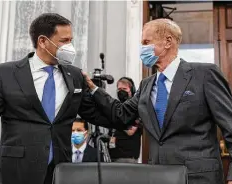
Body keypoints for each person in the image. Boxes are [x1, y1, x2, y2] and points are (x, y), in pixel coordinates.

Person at [83, 18, 232, 184]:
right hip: (158, 176)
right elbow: (121, 114)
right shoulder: (146, 85)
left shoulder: (204, 74)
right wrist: (92, 89)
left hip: (199, 177)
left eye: (146, 42)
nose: (142, 48)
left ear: (168, 41)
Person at [0, 13, 118, 184]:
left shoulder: (74, 75)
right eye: (64, 40)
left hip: (58, 171)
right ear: (42, 41)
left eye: (71, 40)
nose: (70, 46)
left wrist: (130, 116)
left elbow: (96, 114)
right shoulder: (5, 73)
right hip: (15, 171)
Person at [109, 77, 142, 163]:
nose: (121, 91)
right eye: (119, 89)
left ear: (131, 90)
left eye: (124, 89)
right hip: (113, 154)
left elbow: (130, 131)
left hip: (128, 156)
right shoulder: (117, 106)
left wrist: (113, 120)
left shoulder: (136, 108)